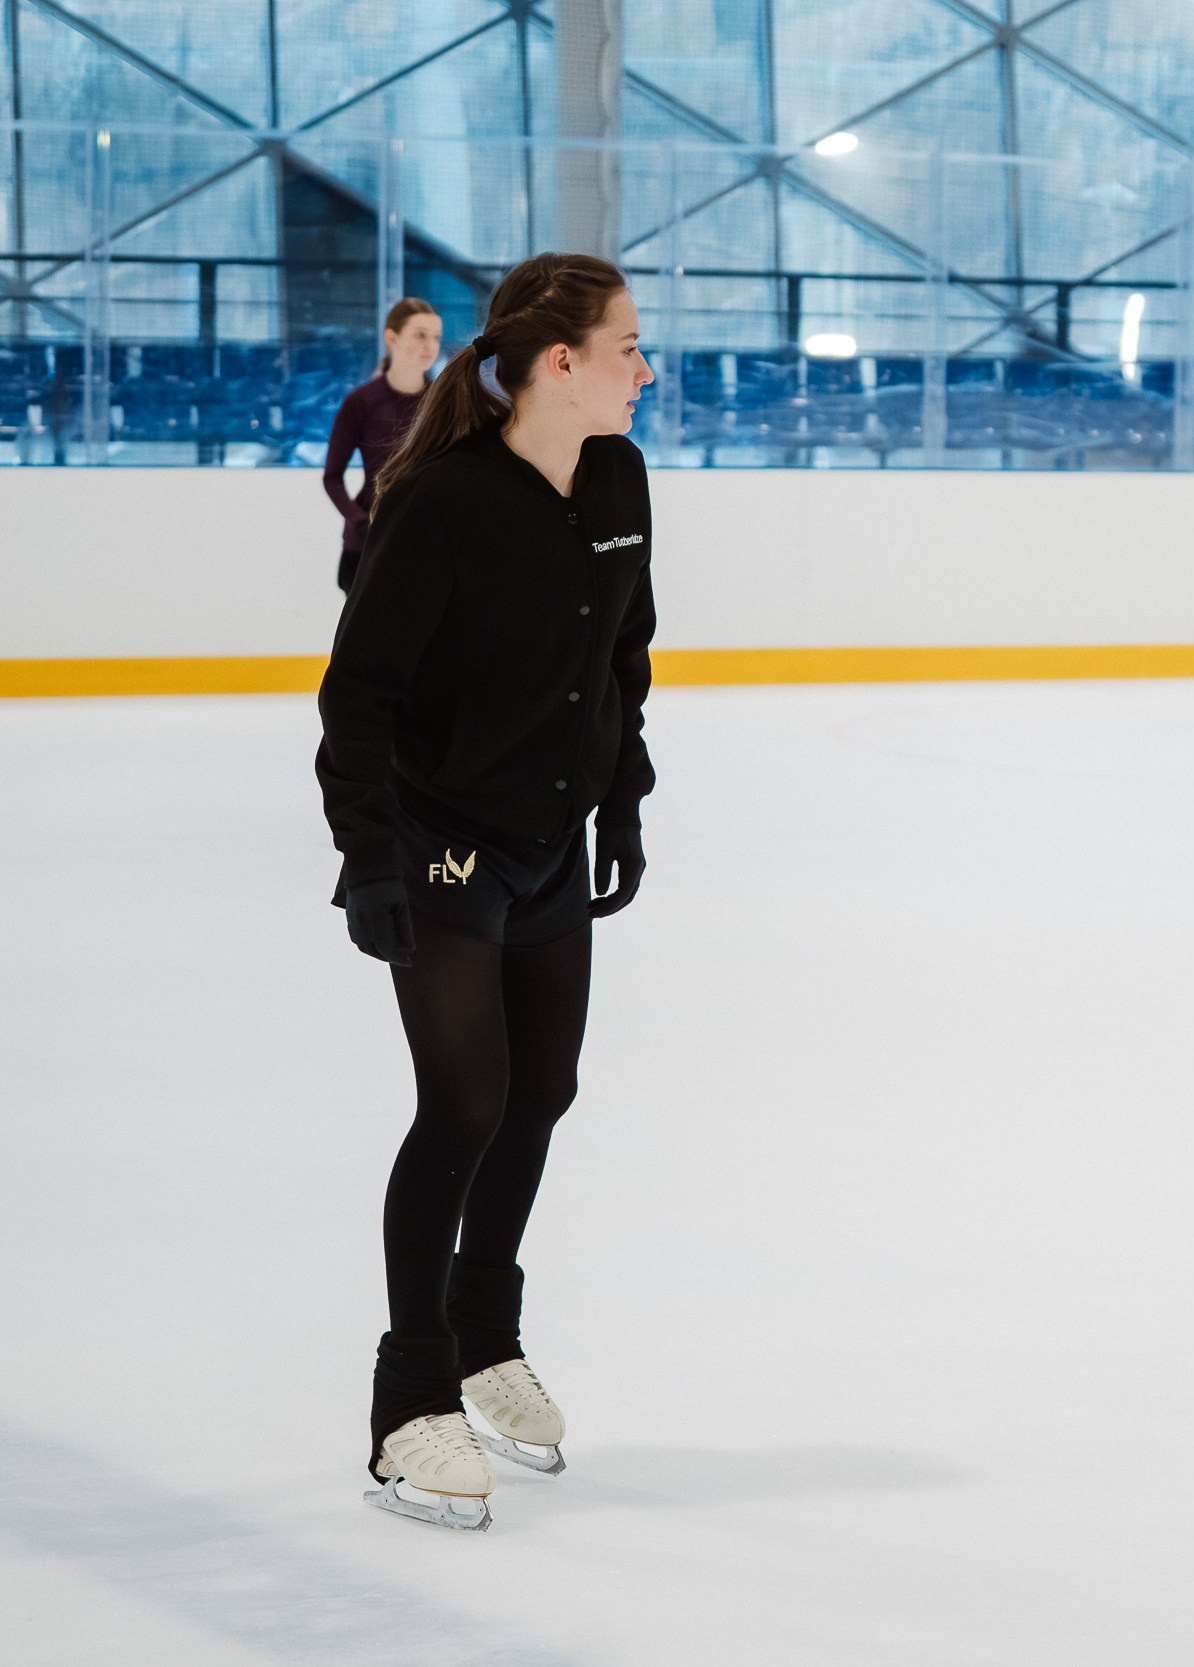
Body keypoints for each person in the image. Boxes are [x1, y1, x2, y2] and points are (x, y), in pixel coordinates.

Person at [317, 253, 657, 1531]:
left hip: (549, 836)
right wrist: (369, 854)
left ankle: (483, 1330)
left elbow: (622, 653)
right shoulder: (444, 501)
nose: (646, 368)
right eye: (628, 346)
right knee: (465, 1099)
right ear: (561, 361)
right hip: (442, 836)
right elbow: (359, 694)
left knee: (541, 1089)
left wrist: (621, 798)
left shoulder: (617, 479)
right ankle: (410, 1396)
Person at [324, 298, 442, 592]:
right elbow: (332, 477)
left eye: (436, 337)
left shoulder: (442, 401)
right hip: (368, 546)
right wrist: (359, 520)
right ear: (391, 338)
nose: (430, 346)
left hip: (427, 542)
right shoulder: (361, 402)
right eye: (420, 335)